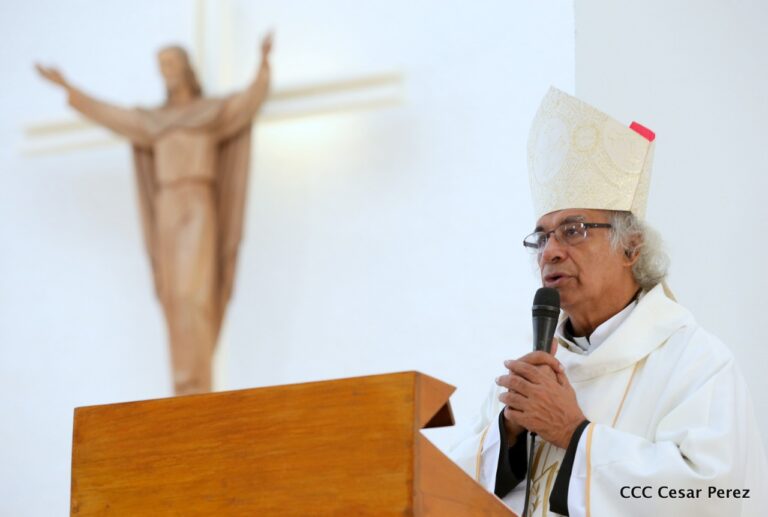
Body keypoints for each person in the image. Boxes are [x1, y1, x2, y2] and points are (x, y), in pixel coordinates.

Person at [451, 87, 767, 516]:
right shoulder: (529, 377)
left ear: (631, 247)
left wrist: (574, 433)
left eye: (573, 230)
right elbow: (445, 487)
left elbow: (713, 493)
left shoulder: (695, 363)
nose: (550, 252)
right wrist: (506, 435)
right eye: (542, 237)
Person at [36, 34, 273, 395]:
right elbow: (111, 115)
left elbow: (246, 102)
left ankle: (199, 382)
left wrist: (263, 65)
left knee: (195, 294)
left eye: (171, 63)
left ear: (186, 68)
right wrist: (70, 89)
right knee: (174, 297)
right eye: (160, 65)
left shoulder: (210, 113)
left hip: (198, 203)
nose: (165, 71)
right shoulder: (152, 121)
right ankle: (182, 382)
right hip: (167, 206)